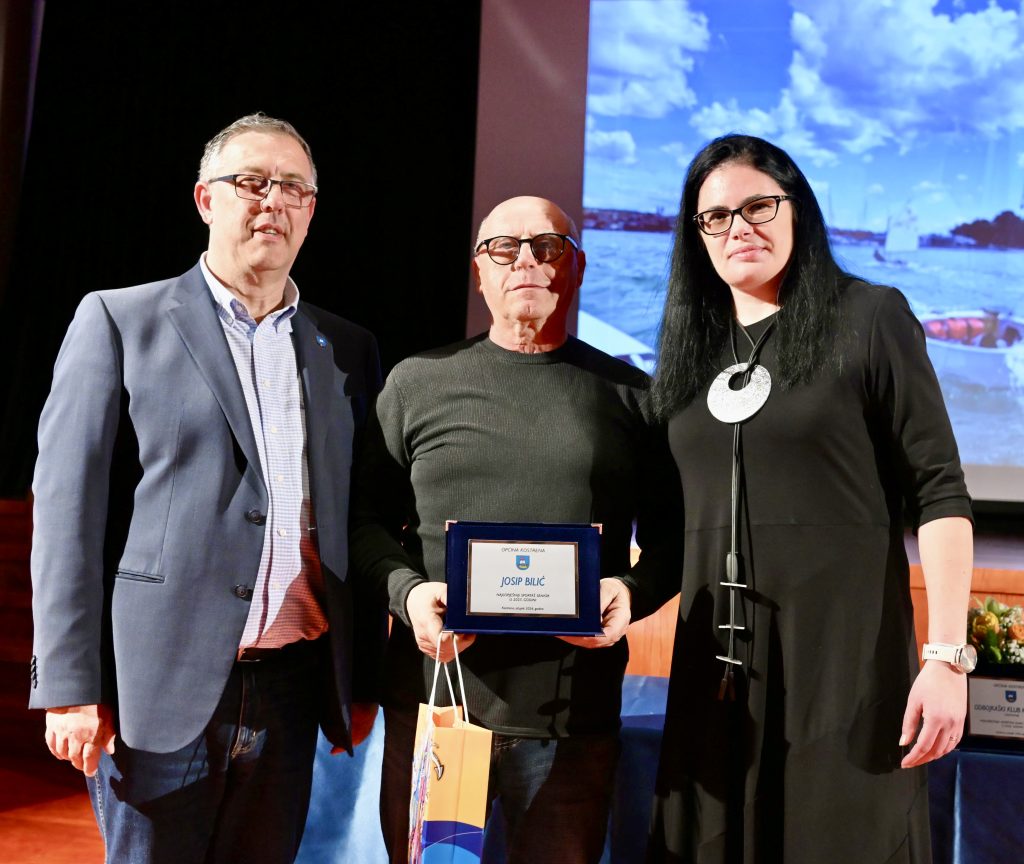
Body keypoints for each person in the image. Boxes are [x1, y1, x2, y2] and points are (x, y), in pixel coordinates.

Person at [29, 112, 384, 863]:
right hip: (157, 686)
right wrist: (68, 684)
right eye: (251, 182)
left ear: (311, 211)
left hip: (292, 688)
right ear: (205, 199)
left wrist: (357, 680)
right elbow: (67, 516)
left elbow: (356, 517)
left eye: (292, 188)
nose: (272, 201)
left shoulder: (347, 348)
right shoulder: (118, 320)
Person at [646, 134, 974, 863]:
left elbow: (940, 491)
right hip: (716, 673)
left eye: (758, 206)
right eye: (716, 216)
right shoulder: (689, 351)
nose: (739, 228)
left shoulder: (870, 316)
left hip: (843, 664)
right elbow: (674, 524)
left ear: (797, 209)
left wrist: (948, 658)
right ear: (696, 235)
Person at [350, 195, 684, 864]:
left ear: (577, 267)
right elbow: (363, 523)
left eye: (547, 246)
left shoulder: (634, 396)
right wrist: (409, 594)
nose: (525, 260)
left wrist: (632, 592)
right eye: (504, 248)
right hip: (437, 709)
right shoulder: (417, 383)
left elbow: (675, 541)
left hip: (571, 719)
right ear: (480, 271)